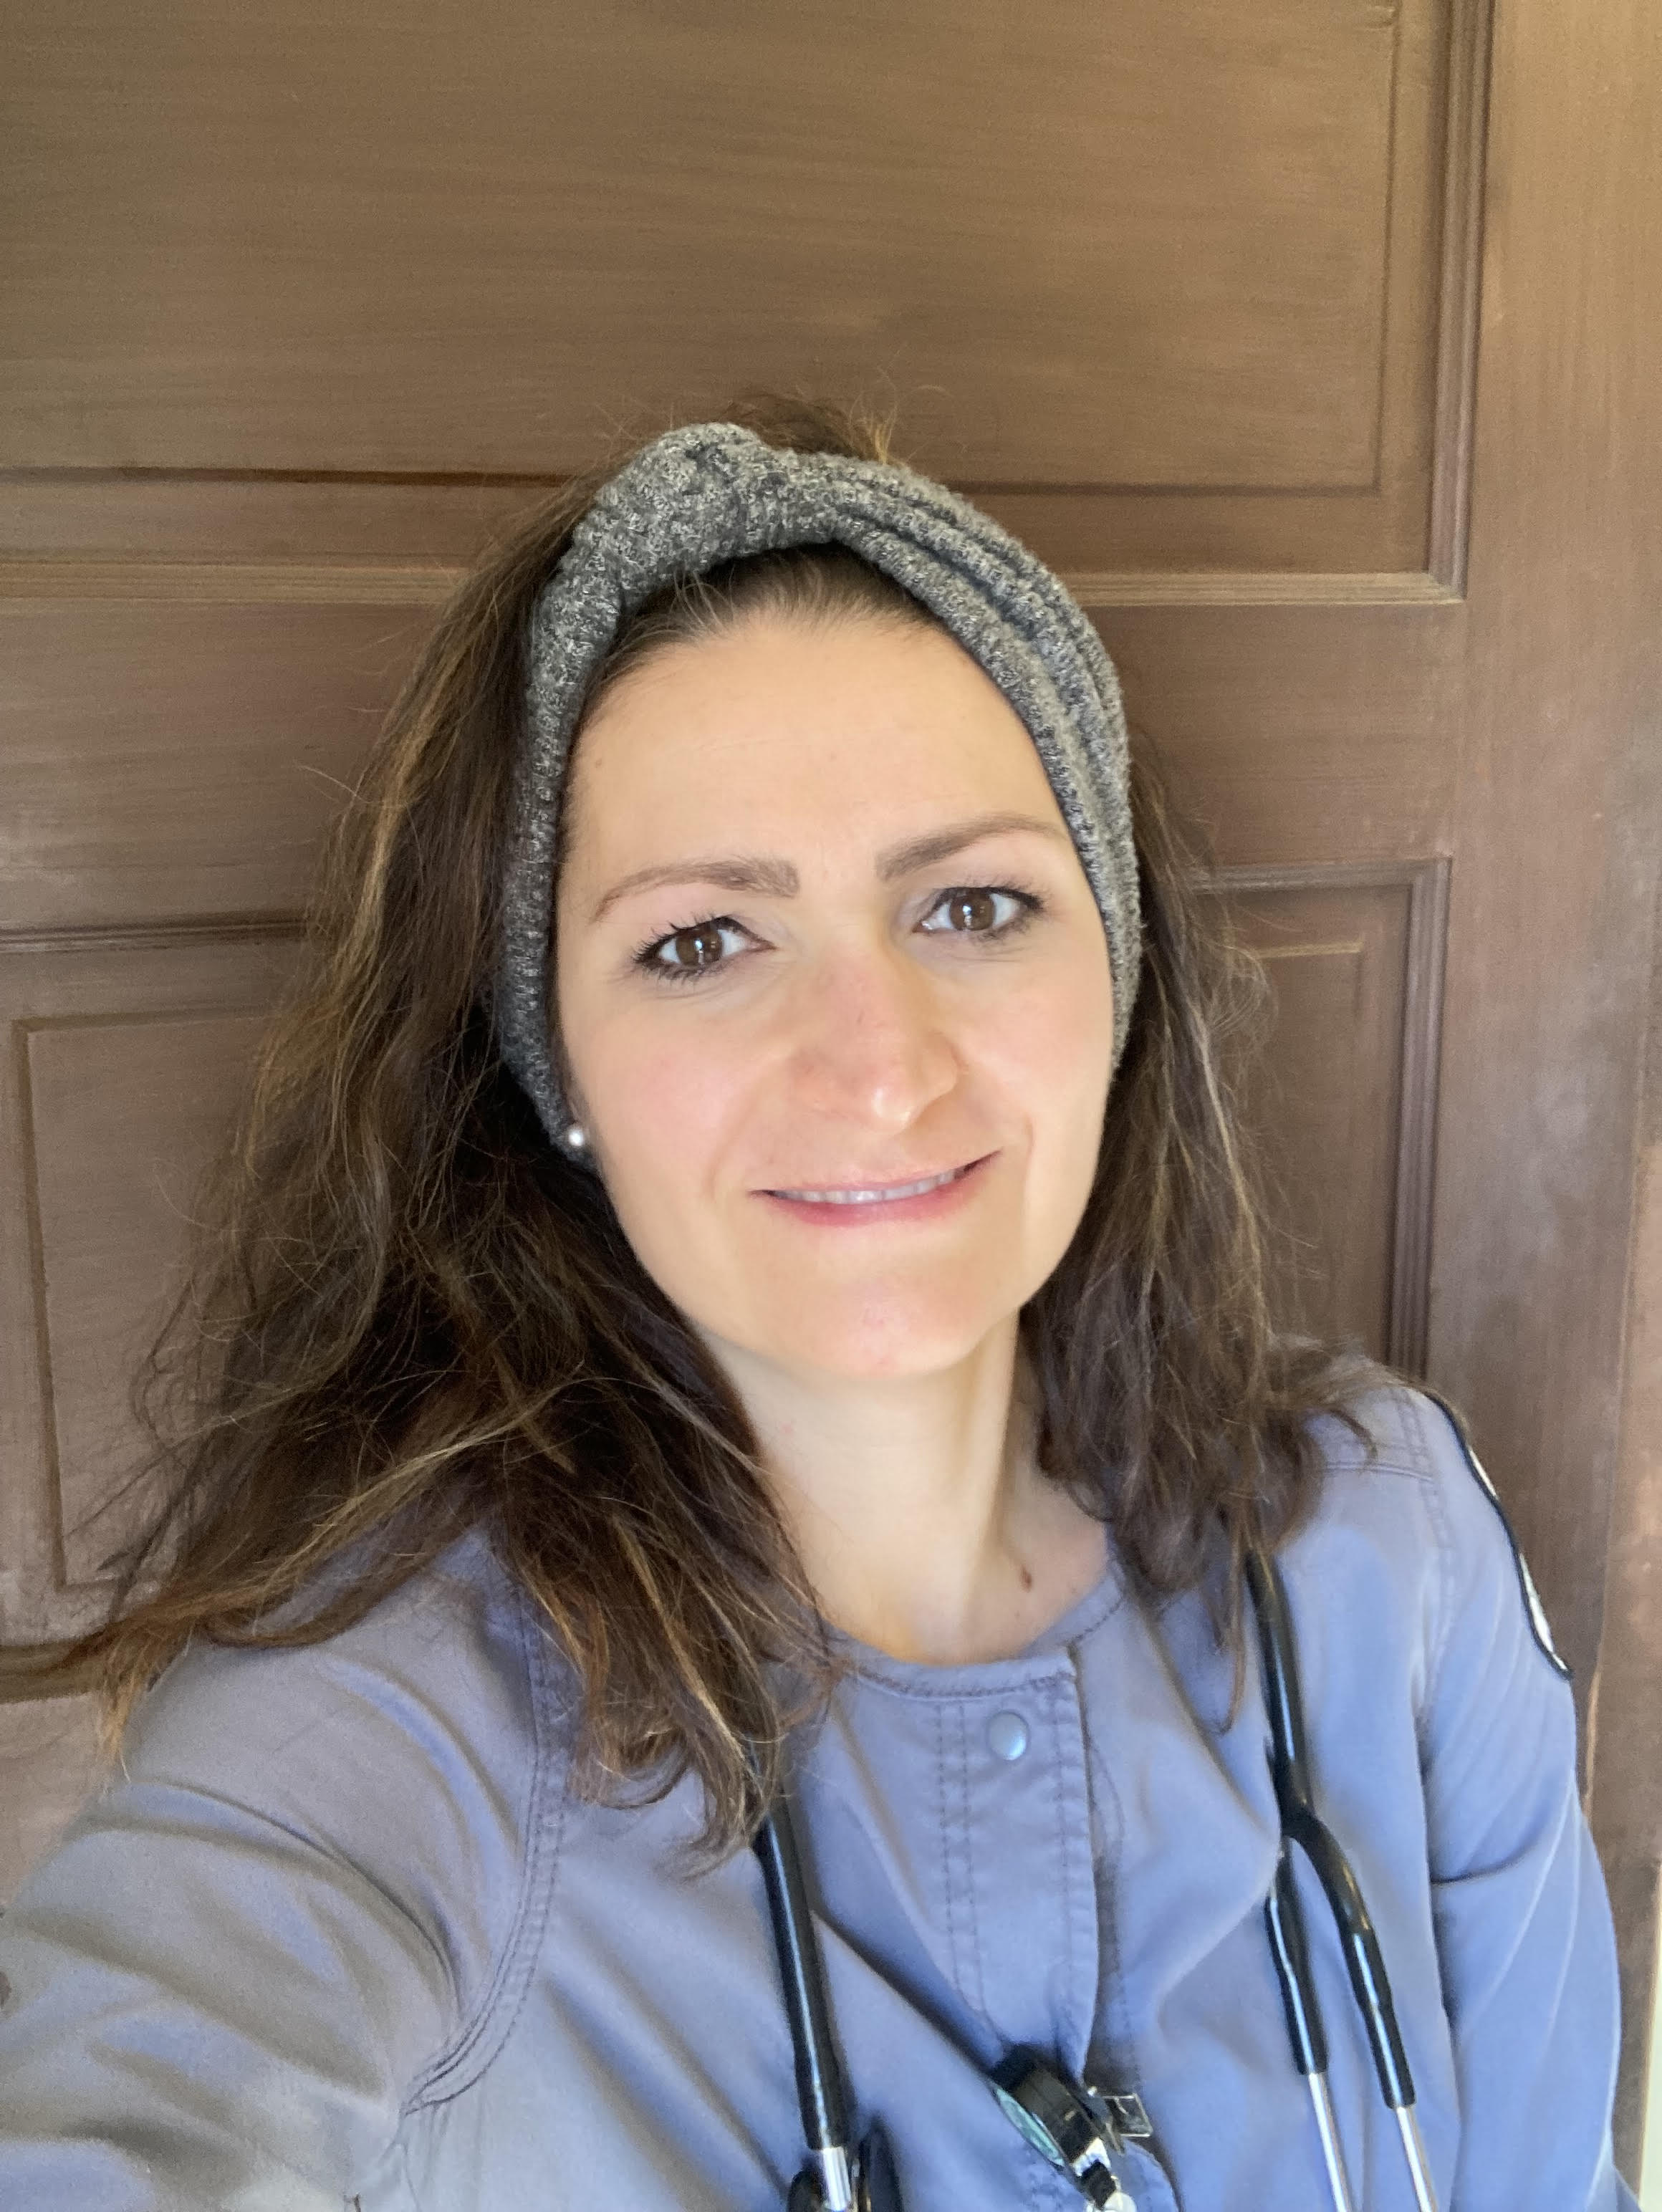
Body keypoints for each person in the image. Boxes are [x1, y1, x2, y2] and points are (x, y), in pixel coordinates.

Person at [0, 398, 1636, 2211]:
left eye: (973, 904)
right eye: (701, 939)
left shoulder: (1387, 1535)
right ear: (561, 1075)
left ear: (1116, 978)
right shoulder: (392, 1710)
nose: (875, 1067)